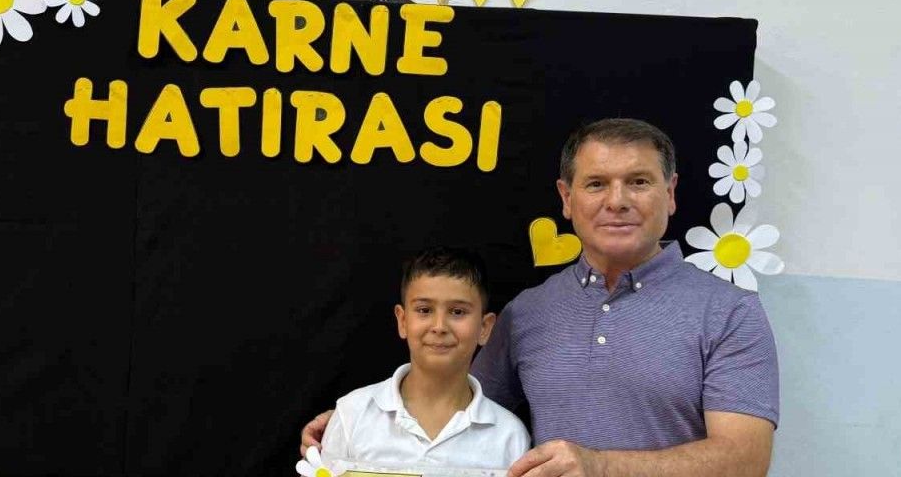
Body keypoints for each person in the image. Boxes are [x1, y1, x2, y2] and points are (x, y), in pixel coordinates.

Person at [304, 118, 779, 477]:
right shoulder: (528, 312)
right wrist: (363, 417)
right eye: (596, 184)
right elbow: (461, 408)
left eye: (639, 181)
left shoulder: (729, 312)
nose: (617, 201)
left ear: (670, 193)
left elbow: (745, 460)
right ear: (567, 198)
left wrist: (600, 466)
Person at [316, 247, 530, 471]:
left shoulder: (510, 437)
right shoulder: (352, 415)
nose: (439, 326)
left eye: (457, 312)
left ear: (484, 328)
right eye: (424, 310)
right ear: (402, 321)